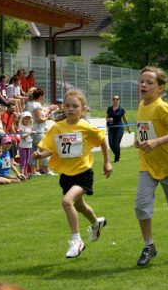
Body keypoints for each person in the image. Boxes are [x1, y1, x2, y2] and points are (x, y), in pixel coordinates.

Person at [32, 90, 113, 258]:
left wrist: (106, 162)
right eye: (67, 106)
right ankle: (96, 223)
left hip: (83, 173)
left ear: (82, 109)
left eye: (75, 106)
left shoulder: (86, 126)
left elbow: (102, 140)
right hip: (66, 175)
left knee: (67, 202)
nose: (71, 109)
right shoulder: (57, 127)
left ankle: (76, 240)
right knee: (80, 206)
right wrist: (41, 155)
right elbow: (51, 149)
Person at [134, 66, 168, 266]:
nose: (143, 85)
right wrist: (138, 140)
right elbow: (145, 129)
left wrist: (157, 142)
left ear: (160, 88)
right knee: (141, 206)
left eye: (149, 82)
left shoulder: (162, 107)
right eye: (141, 81)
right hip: (147, 165)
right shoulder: (141, 105)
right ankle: (149, 246)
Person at [106, 95, 131, 162]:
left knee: (116, 144)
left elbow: (125, 119)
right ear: (112, 100)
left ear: (119, 100)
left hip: (119, 128)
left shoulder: (121, 109)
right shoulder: (109, 108)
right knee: (111, 144)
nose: (115, 100)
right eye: (114, 99)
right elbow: (106, 118)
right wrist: (109, 119)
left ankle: (117, 158)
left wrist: (128, 128)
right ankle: (117, 155)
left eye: (117, 99)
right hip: (111, 128)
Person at [19, 111, 33, 178]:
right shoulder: (22, 127)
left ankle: (25, 173)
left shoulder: (29, 127)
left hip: (28, 146)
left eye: (28, 118)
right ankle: (21, 174)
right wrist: (29, 133)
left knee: (27, 161)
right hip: (23, 146)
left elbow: (29, 136)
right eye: (26, 118)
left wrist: (32, 134)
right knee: (23, 161)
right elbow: (22, 136)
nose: (27, 120)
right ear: (23, 119)